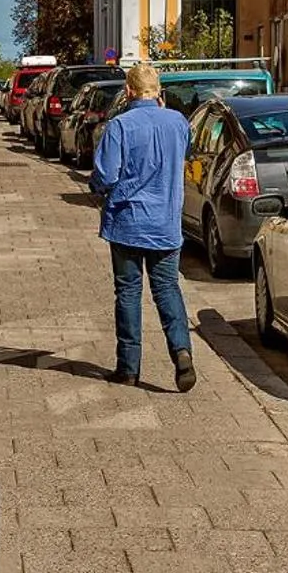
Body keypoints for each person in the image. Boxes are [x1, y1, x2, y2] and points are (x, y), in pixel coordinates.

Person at [89, 62, 196, 391]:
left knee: (129, 293)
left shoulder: (120, 126)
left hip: (128, 224)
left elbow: (105, 175)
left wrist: (97, 188)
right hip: (166, 224)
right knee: (167, 290)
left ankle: (129, 367)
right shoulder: (178, 122)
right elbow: (184, 153)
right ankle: (181, 350)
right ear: (159, 92)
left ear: (128, 91)